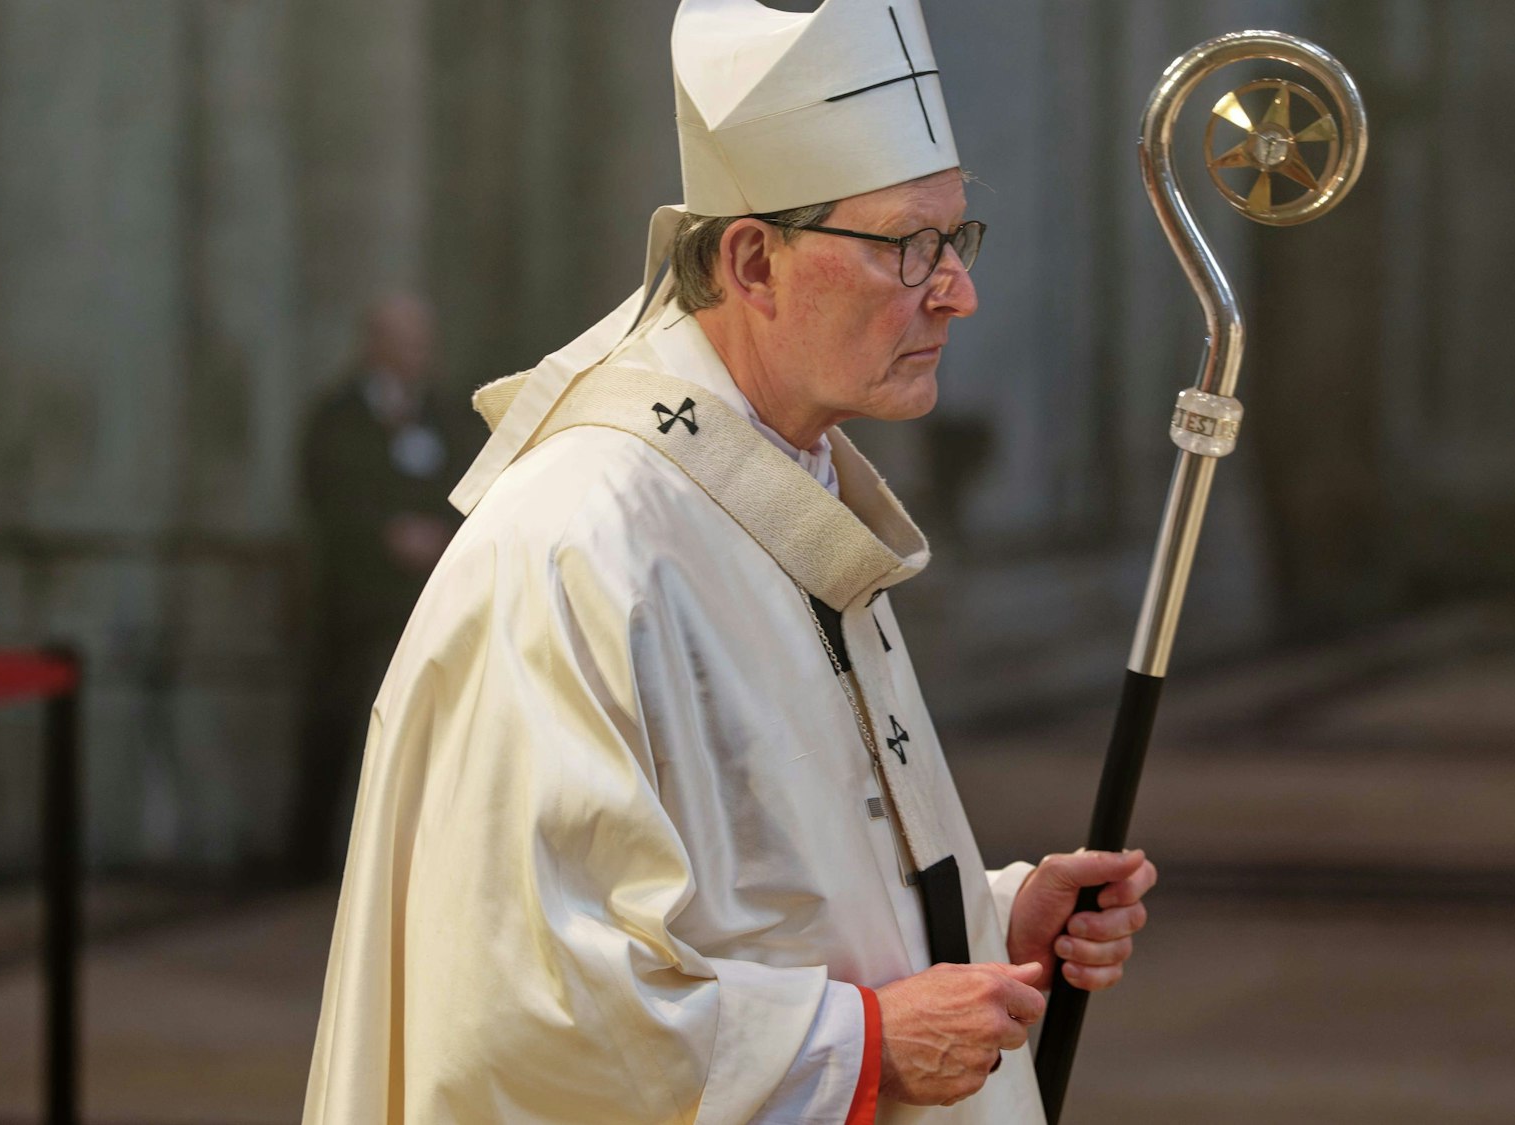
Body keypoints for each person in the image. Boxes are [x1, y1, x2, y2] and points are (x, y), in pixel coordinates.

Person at [304, 2, 1158, 1121]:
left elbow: (776, 882)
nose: (957, 291)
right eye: (910, 246)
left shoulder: (781, 483)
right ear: (755, 260)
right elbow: (523, 1009)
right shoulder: (579, 544)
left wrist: (996, 922)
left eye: (957, 240)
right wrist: (861, 1048)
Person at [291, 294, 480, 881]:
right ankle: (310, 861)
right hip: (355, 598)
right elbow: (328, 490)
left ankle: (422, 865)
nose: (413, 353)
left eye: (420, 341)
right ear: (373, 345)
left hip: (427, 595)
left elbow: (472, 480)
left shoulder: (447, 415)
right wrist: (385, 533)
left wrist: (441, 534)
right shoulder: (338, 414)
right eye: (400, 341)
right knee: (338, 720)